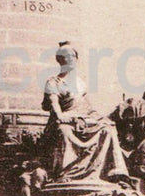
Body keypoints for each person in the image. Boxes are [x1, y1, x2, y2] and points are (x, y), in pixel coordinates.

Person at [41, 42, 129, 182]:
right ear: (59, 59)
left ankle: (114, 172)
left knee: (107, 129)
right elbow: (54, 105)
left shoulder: (80, 83)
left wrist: (101, 118)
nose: (71, 59)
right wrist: (62, 116)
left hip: (82, 120)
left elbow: (88, 108)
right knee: (64, 131)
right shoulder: (53, 82)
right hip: (64, 121)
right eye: (66, 56)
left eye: (73, 56)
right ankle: (66, 173)